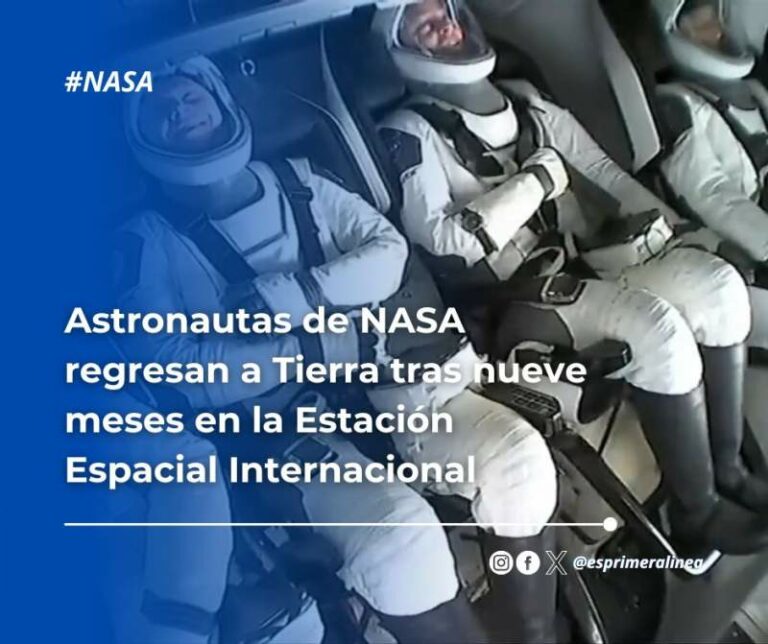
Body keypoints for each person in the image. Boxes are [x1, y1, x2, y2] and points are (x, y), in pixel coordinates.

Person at [120, 55, 562, 642]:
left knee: (518, 462)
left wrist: (298, 296)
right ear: (139, 135)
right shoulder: (145, 244)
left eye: (187, 96)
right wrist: (317, 348)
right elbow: (178, 372)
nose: (179, 112)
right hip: (277, 432)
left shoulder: (301, 180)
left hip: (384, 385)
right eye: (159, 109)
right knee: (402, 544)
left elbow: (388, 252)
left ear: (220, 99)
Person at [375, 0, 768, 555]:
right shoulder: (408, 132)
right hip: (512, 301)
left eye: (446, 11)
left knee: (719, 287)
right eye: (424, 23)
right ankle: (696, 513)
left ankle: (728, 470)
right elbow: (448, 246)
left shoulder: (525, 101)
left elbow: (602, 172)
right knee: (656, 328)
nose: (445, 24)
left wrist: (677, 230)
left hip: (584, 265)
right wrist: (537, 179)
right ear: (401, 47)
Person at [650, 0, 768, 352]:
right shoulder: (677, 104)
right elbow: (708, 193)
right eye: (702, 25)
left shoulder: (753, 92)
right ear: (673, 33)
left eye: (717, 20)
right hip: (748, 251)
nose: (717, 32)